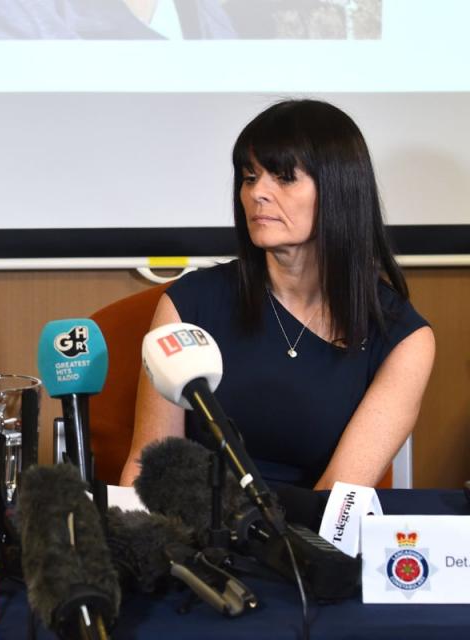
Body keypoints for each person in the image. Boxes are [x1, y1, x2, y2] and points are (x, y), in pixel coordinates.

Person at [120, 99, 434, 490]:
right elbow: (148, 465)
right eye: (250, 177)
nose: (257, 194)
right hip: (196, 537)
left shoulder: (402, 337)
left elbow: (339, 496)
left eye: (283, 178)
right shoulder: (188, 304)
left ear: (339, 190)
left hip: (308, 541)